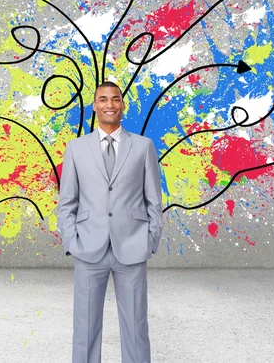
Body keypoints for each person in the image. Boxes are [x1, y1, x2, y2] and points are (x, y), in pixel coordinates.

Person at [58, 81, 164, 363]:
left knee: (136, 327)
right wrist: (72, 241)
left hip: (132, 246)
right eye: (103, 99)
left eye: (115, 99)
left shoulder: (143, 147)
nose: (109, 104)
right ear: (94, 106)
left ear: (122, 105)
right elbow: (67, 201)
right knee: (85, 328)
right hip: (88, 248)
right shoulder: (76, 148)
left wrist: (150, 240)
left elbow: (153, 199)